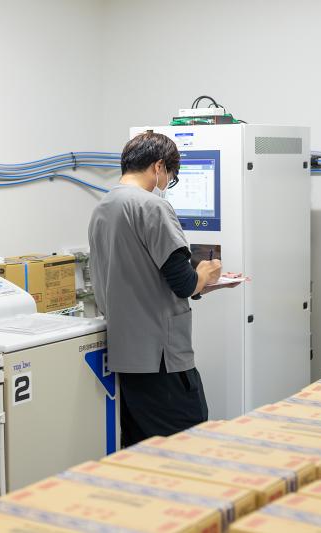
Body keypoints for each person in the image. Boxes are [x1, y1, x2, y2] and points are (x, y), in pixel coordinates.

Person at [88, 131, 237, 447]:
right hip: (162, 357)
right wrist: (206, 272)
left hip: (125, 355)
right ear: (158, 167)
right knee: (188, 442)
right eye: (171, 175)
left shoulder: (103, 206)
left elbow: (137, 278)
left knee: (141, 447)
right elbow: (183, 283)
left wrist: (198, 285)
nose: (167, 182)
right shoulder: (152, 206)